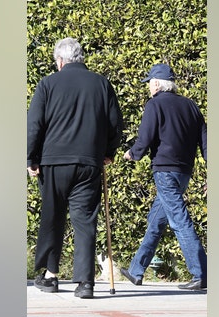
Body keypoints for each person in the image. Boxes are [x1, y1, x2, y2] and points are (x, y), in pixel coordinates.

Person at [27, 37, 123, 299]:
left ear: (60, 61)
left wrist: (30, 158)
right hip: (88, 162)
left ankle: (50, 275)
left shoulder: (47, 83)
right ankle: (85, 283)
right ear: (80, 58)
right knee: (85, 221)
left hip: (54, 161)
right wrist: (108, 152)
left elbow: (34, 123)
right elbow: (115, 124)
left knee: (52, 217)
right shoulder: (101, 84)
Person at [119, 63, 207, 290]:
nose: (148, 87)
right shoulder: (191, 106)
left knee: (179, 220)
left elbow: (145, 138)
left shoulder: (154, 105)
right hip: (184, 172)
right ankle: (137, 270)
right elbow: (205, 142)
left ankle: (201, 273)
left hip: (165, 171)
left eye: (149, 83)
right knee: (157, 220)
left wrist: (133, 153)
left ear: (156, 83)